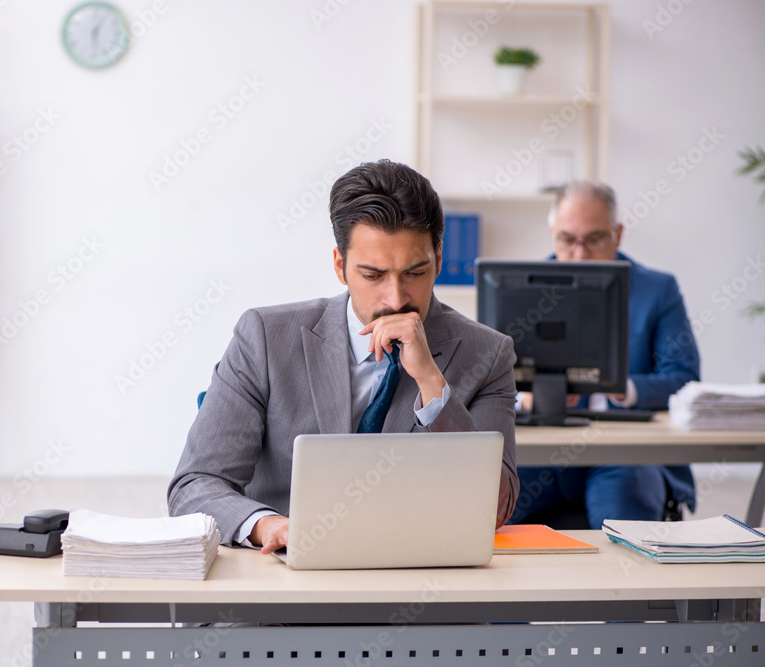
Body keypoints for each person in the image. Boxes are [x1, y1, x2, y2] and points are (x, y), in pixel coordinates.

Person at [168, 160, 519, 554]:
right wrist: (266, 526)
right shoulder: (265, 338)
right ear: (340, 266)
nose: (396, 298)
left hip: (417, 584)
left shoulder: (487, 354)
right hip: (283, 588)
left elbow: (494, 508)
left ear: (438, 259)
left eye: (415, 273)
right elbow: (194, 486)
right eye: (373, 276)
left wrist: (433, 385)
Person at [508, 180, 700, 529]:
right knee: (483, 509)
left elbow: (684, 379)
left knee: (626, 521)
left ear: (618, 234)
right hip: (542, 448)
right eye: (567, 239)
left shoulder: (658, 290)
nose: (579, 254)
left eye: (594, 239)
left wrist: (621, 387)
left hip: (625, 451)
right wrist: (527, 398)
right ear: (552, 233)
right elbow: (496, 381)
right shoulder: (520, 286)